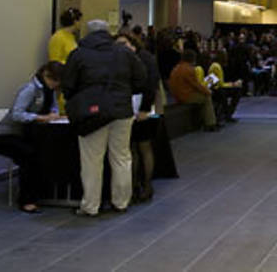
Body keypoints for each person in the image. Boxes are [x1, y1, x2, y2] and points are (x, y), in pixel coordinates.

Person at [62, 19, 146, 217]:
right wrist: (124, 93)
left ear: (88, 33)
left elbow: (68, 85)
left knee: (92, 160)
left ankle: (91, 206)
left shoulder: (79, 54)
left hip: (93, 114)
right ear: (108, 32)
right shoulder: (124, 52)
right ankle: (121, 202)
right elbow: (142, 79)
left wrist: (81, 99)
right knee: (121, 157)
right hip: (122, 111)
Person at [0, 61, 64, 213]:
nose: (55, 85)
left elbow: (53, 108)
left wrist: (53, 115)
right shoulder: (30, 89)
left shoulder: (49, 92)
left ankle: (40, 194)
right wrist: (40, 117)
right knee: (30, 157)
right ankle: (26, 200)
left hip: (25, 134)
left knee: (42, 153)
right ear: (46, 75)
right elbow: (17, 114)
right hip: (6, 135)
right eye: (54, 81)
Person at [116, 32, 159, 203]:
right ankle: (133, 186)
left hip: (142, 108)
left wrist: (145, 108)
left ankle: (146, 185)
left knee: (143, 147)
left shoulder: (144, 58)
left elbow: (151, 82)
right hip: (128, 108)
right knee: (131, 148)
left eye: (124, 43)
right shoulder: (126, 58)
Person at [168, 49, 218, 131]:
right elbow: (197, 85)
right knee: (206, 98)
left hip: (177, 95)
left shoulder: (176, 68)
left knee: (202, 96)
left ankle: (203, 121)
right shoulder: (189, 69)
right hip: (186, 96)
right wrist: (208, 91)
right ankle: (210, 123)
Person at [48, 7, 82, 115]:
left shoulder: (71, 37)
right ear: (75, 21)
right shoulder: (58, 37)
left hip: (71, 78)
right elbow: (54, 61)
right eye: (80, 20)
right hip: (62, 79)